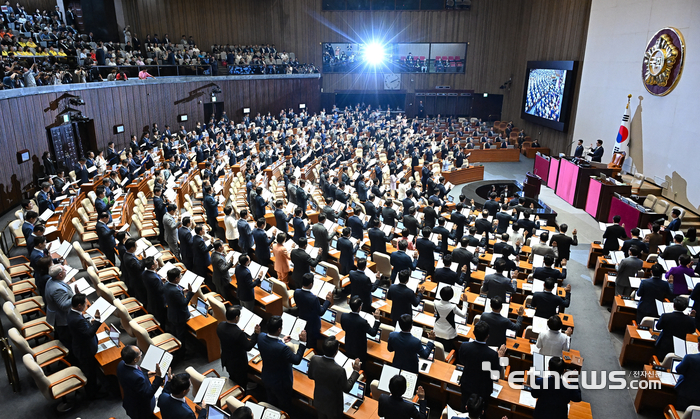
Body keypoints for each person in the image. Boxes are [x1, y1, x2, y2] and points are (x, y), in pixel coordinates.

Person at [257, 315, 307, 414]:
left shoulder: (261, 336)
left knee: (271, 402)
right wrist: (303, 343)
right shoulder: (282, 349)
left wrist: (282, 341)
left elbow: (272, 344)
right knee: (285, 405)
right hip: (281, 383)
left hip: (267, 377)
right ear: (279, 330)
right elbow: (296, 360)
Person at [308, 337, 361, 419]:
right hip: (334, 407)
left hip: (319, 401)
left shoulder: (314, 359)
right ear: (336, 352)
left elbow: (310, 376)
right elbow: (347, 388)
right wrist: (356, 371)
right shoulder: (339, 370)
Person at [459, 321, 508, 406]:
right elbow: (496, 373)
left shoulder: (464, 346)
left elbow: (462, 360)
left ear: (474, 333)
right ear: (487, 336)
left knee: (464, 407)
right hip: (483, 389)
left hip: (466, 384)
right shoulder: (493, 355)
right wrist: (500, 357)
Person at [67, 293, 104, 399]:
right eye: (85, 303)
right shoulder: (77, 319)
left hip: (79, 344)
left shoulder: (72, 312)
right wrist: (97, 321)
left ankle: (93, 388)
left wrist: (88, 323)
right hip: (85, 350)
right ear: (79, 305)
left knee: (90, 370)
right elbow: (88, 334)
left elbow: (81, 329)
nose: (86, 305)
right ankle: (92, 393)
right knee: (90, 372)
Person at [217, 306, 260, 389]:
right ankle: (241, 393)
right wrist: (256, 334)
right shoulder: (238, 333)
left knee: (232, 375)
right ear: (236, 317)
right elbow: (248, 347)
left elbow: (229, 335)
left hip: (226, 358)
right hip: (238, 363)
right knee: (241, 380)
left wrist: (240, 334)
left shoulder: (220, 325)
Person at [117, 345, 165, 419]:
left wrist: (146, 375)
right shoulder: (137, 377)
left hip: (130, 401)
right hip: (141, 409)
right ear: (135, 360)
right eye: (140, 354)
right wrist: (158, 377)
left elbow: (131, 378)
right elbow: (148, 394)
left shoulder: (121, 364)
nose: (141, 354)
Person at [295, 273, 333, 349]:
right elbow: (321, 312)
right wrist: (327, 301)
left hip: (302, 319)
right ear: (311, 284)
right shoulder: (314, 299)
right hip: (313, 324)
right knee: (312, 343)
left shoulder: (296, 292)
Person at [163, 268, 195, 354]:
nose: (181, 277)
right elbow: (184, 303)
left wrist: (182, 291)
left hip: (172, 313)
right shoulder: (175, 291)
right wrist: (190, 293)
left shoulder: (166, 285)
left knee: (175, 332)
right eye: (180, 276)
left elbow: (174, 295)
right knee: (181, 335)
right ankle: (182, 352)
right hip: (179, 316)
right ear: (176, 278)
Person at [341, 296, 381, 362]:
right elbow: (373, 333)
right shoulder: (362, 322)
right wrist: (377, 319)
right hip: (359, 350)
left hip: (348, 346)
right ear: (360, 307)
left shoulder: (344, 316)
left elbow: (344, 328)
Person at [45, 265, 75, 349]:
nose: (66, 269)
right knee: (66, 339)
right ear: (60, 275)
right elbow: (64, 306)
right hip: (61, 319)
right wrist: (75, 296)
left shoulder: (51, 280)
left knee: (59, 334)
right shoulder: (58, 289)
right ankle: (69, 358)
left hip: (54, 313)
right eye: (64, 270)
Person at [433, 286, 468, 351]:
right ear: (451, 296)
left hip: (437, 331)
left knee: (438, 349)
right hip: (448, 334)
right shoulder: (453, 307)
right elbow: (463, 314)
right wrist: (465, 302)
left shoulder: (435, 303)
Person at [122, 238, 147, 303]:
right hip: (137, 280)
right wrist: (144, 259)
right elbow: (140, 268)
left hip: (133, 276)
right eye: (136, 246)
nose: (136, 247)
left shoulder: (126, 254)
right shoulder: (130, 259)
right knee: (142, 295)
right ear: (132, 248)